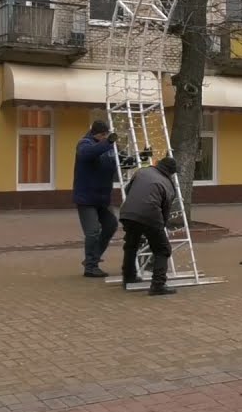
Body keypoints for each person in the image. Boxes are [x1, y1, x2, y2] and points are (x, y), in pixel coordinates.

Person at [119, 156, 180, 296]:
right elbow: (165, 209)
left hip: (128, 214)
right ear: (172, 173)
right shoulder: (168, 185)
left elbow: (128, 190)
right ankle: (158, 285)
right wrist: (161, 227)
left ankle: (128, 278)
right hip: (150, 216)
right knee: (163, 250)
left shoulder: (142, 172)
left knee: (131, 245)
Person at [73, 121, 119, 278]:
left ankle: (92, 257)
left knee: (111, 225)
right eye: (104, 135)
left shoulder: (107, 147)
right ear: (98, 134)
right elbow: (89, 154)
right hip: (86, 198)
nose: (106, 137)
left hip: (103, 198)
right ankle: (91, 267)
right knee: (92, 232)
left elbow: (117, 163)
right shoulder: (84, 144)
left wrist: (136, 158)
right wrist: (109, 142)